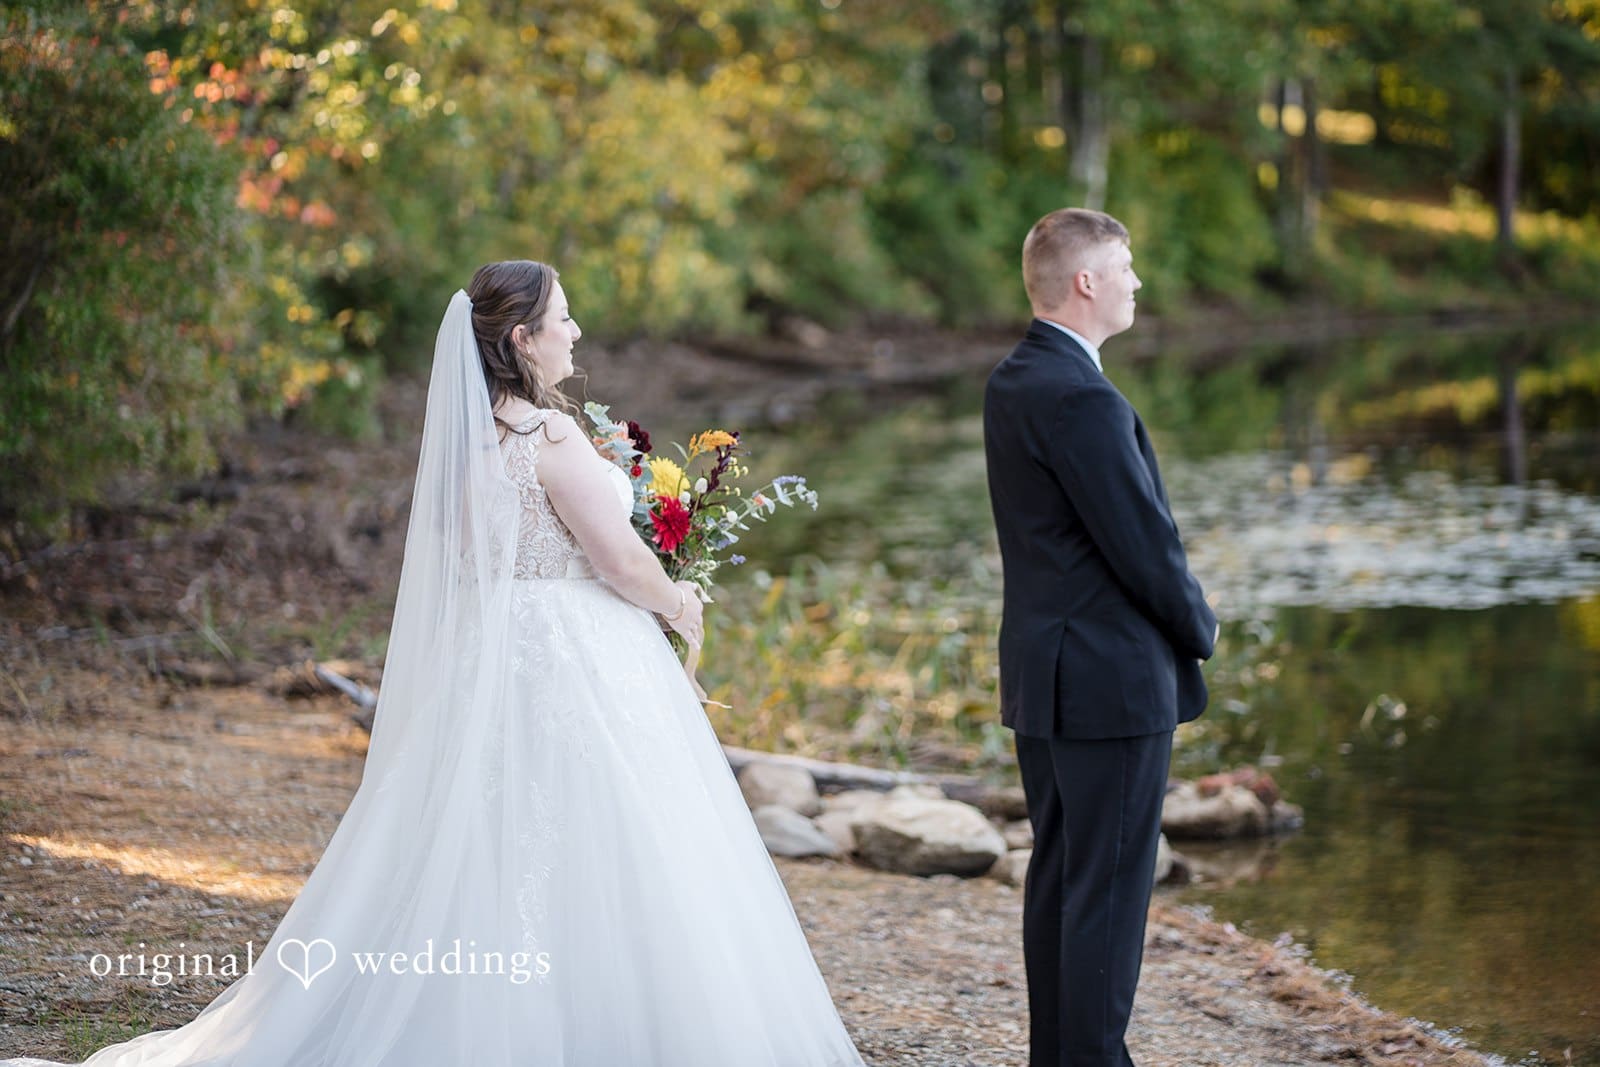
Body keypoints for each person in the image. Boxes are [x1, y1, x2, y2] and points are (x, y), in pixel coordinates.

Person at [4, 260, 865, 1067]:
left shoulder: (468, 447)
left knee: (483, 835)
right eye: (564, 319)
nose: (578, 332)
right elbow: (615, 562)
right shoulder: (553, 438)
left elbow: (483, 558)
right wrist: (682, 603)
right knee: (607, 831)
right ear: (523, 339)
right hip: (575, 654)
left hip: (495, 657)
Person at [982, 210, 1217, 1066]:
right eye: (1124, 266)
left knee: (1063, 876)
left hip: (1048, 677)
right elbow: (1143, 544)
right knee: (1108, 892)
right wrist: (1201, 626)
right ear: (1085, 282)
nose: (1136, 281)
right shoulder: (1080, 394)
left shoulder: (1014, 377)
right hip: (1108, 683)